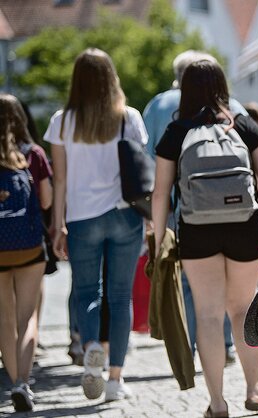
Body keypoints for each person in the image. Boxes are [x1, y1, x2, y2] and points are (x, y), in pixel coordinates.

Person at [151, 59, 258, 417]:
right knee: (243, 310)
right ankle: (255, 391)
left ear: (184, 89)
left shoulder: (176, 132)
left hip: (196, 231)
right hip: (244, 227)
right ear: (223, 86)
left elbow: (160, 193)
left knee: (208, 315)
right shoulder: (244, 126)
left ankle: (217, 403)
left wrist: (161, 239)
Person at [45, 48, 147, 402]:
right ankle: (116, 379)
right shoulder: (129, 117)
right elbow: (140, 170)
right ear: (111, 78)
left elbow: (59, 180)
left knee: (87, 293)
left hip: (82, 217)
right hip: (124, 215)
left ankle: (90, 348)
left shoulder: (62, 120)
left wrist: (58, 225)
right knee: (120, 297)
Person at [142, 50, 239, 366]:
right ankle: (224, 343)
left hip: (180, 206)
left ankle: (194, 343)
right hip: (234, 210)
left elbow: (150, 160)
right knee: (224, 280)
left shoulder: (159, 106)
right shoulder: (232, 109)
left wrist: (155, 226)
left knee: (186, 279)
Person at [0, 94, 53, 412]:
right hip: (30, 246)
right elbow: (45, 202)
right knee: (27, 316)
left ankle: (11, 382)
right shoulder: (33, 153)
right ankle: (23, 383)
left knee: (5, 319)